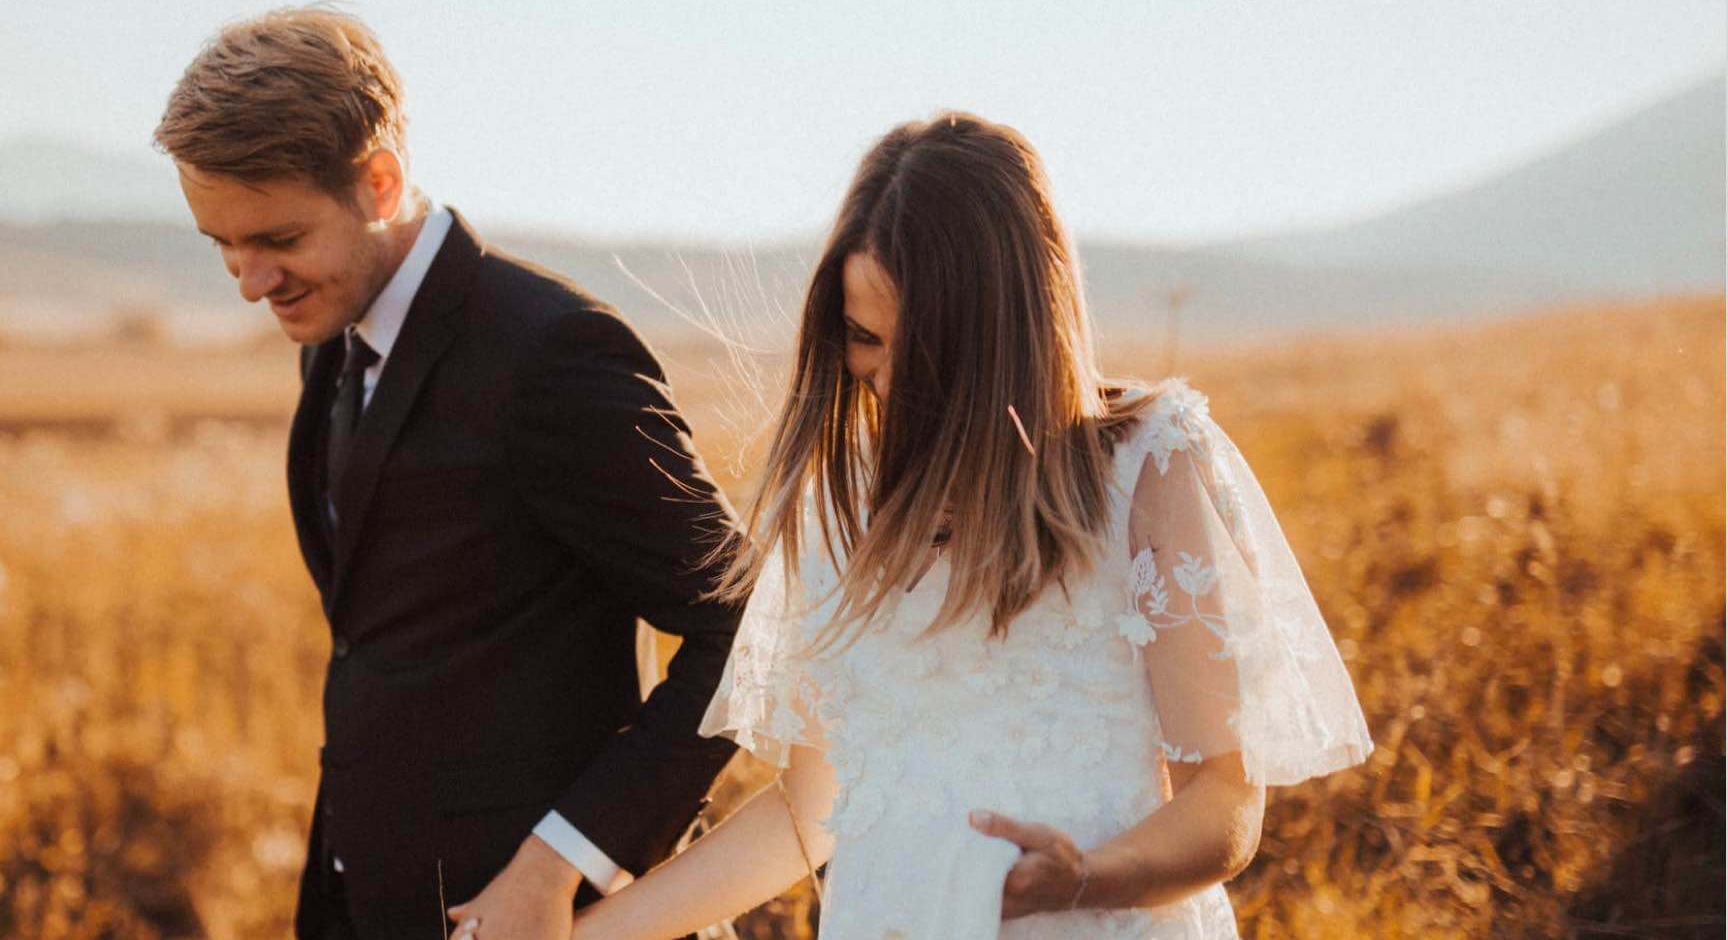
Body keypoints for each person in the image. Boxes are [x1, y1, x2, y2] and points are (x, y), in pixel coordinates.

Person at [569, 112, 1375, 938]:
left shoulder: (1148, 468)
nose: (879, 377)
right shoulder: (841, 501)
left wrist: (1085, 878)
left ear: (1002, 335)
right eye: (859, 338)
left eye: (915, 349)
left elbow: (1226, 801)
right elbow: (809, 812)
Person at [152, 7, 745, 940]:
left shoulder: (552, 353)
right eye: (220, 244)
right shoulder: (333, 339)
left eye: (277, 240)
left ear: (379, 182)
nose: (248, 280)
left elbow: (745, 629)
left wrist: (560, 867)